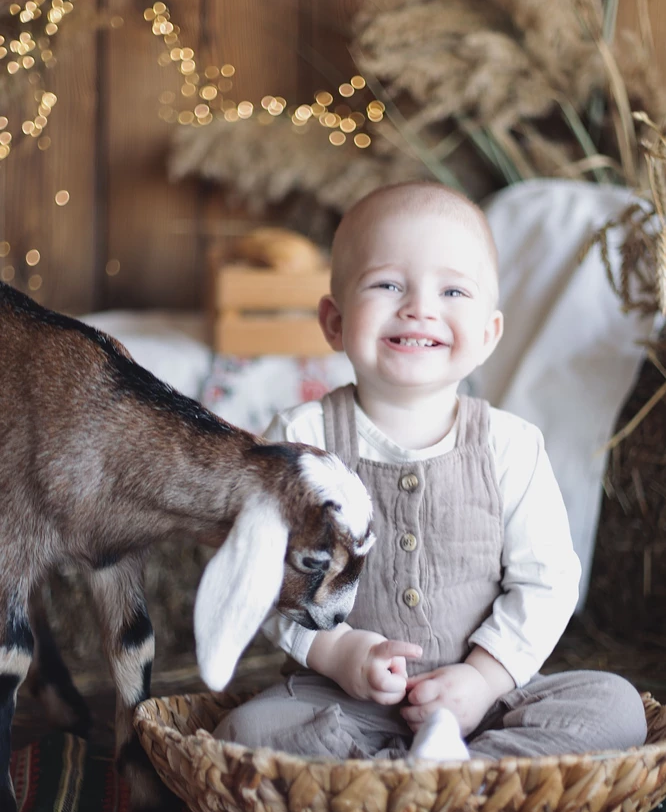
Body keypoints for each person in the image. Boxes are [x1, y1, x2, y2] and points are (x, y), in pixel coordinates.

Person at [215, 181, 647, 762]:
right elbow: (268, 576)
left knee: (615, 707)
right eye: (388, 284)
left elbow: (547, 583)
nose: (420, 307)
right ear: (335, 321)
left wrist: (484, 679)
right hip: (349, 702)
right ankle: (434, 780)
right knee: (246, 734)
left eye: (452, 290)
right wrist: (341, 654)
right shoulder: (301, 438)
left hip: (487, 705)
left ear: (490, 334)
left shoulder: (510, 444)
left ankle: (445, 769)